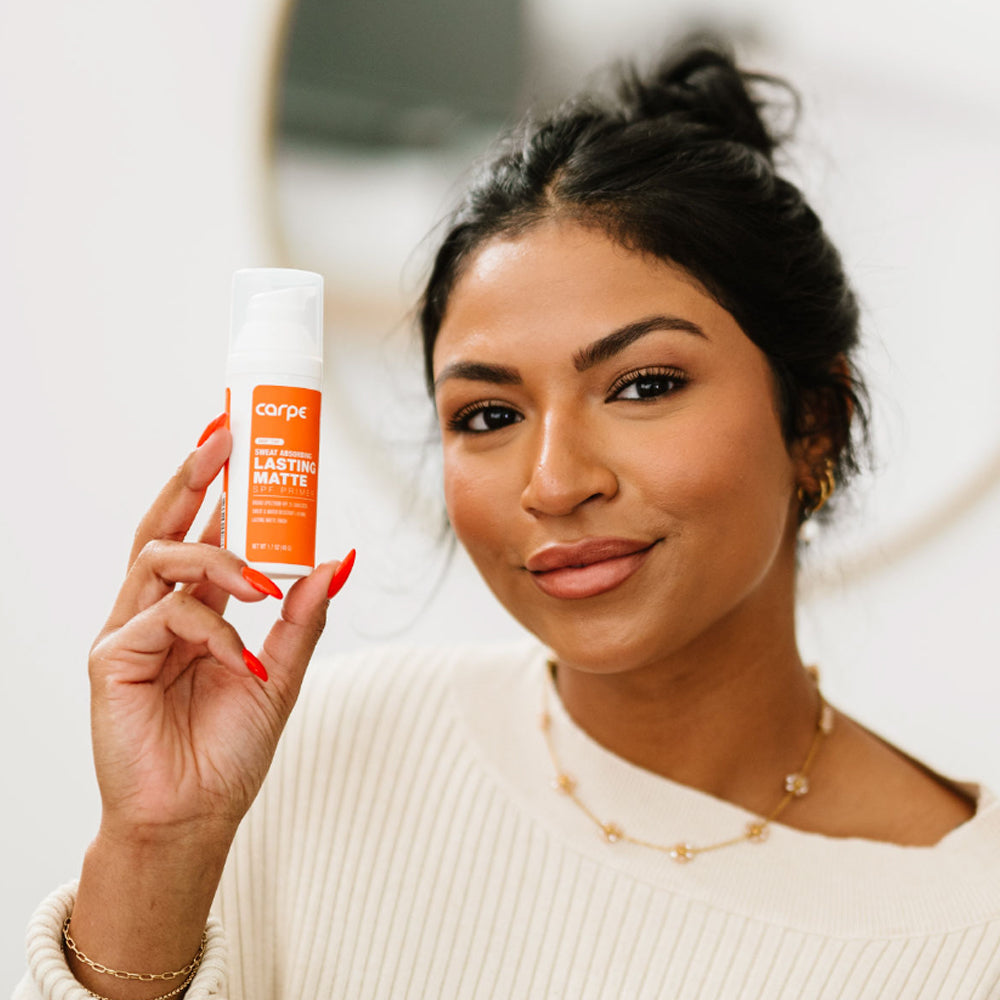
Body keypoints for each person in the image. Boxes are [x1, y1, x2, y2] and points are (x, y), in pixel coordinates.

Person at [17, 40, 1000, 1000]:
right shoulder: (314, 755)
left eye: (643, 385)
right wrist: (157, 845)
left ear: (815, 420)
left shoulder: (971, 930)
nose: (555, 482)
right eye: (488, 415)